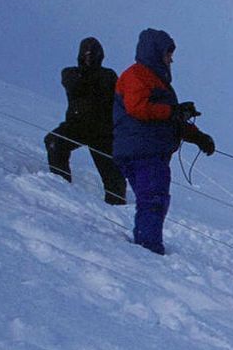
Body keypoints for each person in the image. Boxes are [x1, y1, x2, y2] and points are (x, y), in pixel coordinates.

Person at [111, 28, 216, 255]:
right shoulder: (137, 75)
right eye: (168, 53)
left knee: (153, 199)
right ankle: (148, 249)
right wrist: (173, 111)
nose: (171, 59)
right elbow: (138, 108)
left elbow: (167, 117)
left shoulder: (156, 80)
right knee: (153, 199)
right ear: (155, 52)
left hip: (147, 150)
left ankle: (147, 245)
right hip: (142, 151)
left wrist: (198, 137)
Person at [45, 36, 127, 205]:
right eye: (87, 54)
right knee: (54, 142)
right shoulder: (71, 73)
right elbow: (76, 85)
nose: (90, 57)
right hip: (78, 126)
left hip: (103, 131)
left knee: (114, 177)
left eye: (93, 54)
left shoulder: (108, 75)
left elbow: (120, 99)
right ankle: (61, 189)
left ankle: (117, 210)